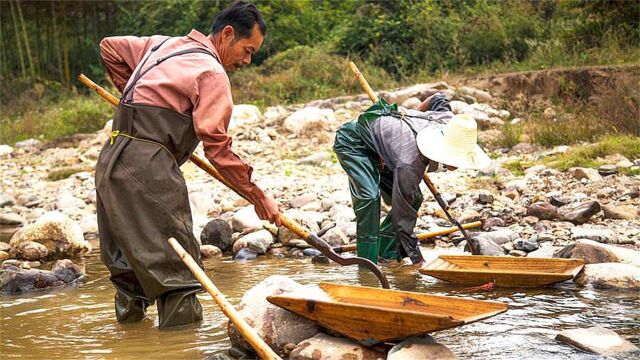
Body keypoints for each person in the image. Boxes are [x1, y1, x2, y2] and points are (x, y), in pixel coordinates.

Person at [96, 1, 279, 329]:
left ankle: (130, 342)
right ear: (226, 34)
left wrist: (136, 95)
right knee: (177, 272)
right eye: (247, 50)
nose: (247, 61)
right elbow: (218, 148)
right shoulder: (211, 72)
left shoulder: (161, 45)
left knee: (128, 271)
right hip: (148, 169)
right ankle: (182, 347)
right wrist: (256, 195)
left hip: (110, 161)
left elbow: (109, 47)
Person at [333, 91, 492, 266]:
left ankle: (386, 254)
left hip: (387, 150)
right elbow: (403, 218)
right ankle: (367, 266)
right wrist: (418, 260)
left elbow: (438, 97)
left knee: (414, 197)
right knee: (370, 199)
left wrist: (407, 121)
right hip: (354, 142)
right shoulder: (410, 162)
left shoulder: (449, 122)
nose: (456, 165)